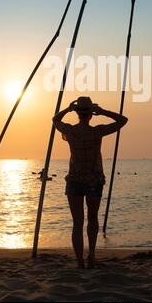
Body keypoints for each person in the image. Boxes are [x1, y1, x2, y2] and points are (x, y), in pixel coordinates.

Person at [52, 97, 128, 269]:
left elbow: (55, 120)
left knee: (77, 222)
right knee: (92, 219)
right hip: (94, 180)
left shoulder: (70, 131)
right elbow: (123, 120)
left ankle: (80, 261)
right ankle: (91, 256)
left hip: (75, 180)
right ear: (90, 114)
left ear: (78, 113)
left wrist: (67, 109)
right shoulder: (97, 132)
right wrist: (102, 111)